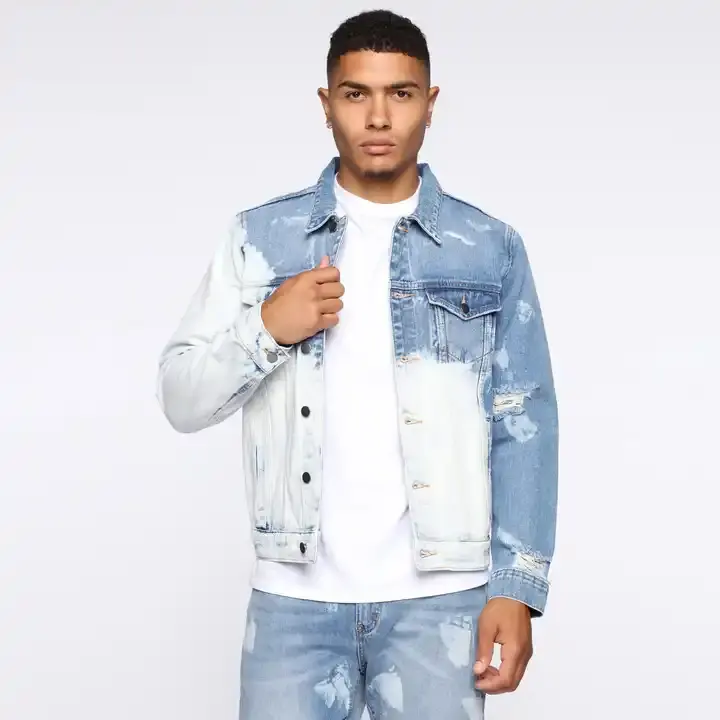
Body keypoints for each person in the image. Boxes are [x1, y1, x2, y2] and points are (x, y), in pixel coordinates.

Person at [156, 9, 558, 719]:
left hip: (442, 603)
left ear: (430, 103)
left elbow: (523, 421)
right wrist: (267, 329)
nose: (378, 116)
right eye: (355, 93)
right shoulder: (261, 237)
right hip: (293, 606)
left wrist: (516, 589)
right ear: (326, 104)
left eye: (400, 93)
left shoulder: (488, 246)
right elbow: (180, 398)